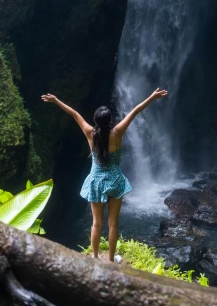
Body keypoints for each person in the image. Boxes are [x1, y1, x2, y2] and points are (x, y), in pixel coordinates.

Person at [41, 88, 168, 262]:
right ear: (110, 120)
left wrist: (55, 100)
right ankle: (110, 259)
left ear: (95, 121)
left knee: (96, 223)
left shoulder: (89, 133)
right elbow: (136, 110)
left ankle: (94, 256)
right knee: (113, 224)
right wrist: (153, 97)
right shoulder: (117, 132)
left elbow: (74, 113)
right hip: (115, 181)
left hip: (96, 181)